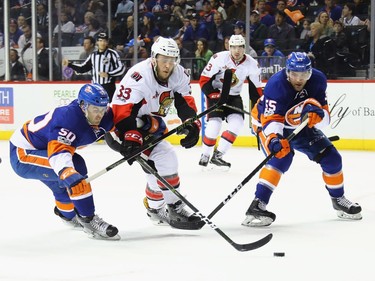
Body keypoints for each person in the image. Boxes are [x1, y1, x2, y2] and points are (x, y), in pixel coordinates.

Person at [242, 52, 362, 227]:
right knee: (283, 157)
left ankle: (338, 200)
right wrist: (274, 140)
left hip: (298, 123)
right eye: (294, 74)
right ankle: (257, 205)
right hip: (266, 122)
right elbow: (271, 121)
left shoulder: (318, 80)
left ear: (310, 73)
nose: (299, 79)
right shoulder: (276, 85)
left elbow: (326, 118)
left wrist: (317, 115)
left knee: (332, 158)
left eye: (304, 74)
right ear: (287, 72)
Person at [111, 36, 204, 230]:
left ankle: (156, 209)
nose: (168, 65)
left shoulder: (179, 74)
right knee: (158, 166)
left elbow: (184, 101)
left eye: (172, 60)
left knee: (166, 160)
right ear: (154, 58)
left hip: (149, 123)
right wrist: (130, 137)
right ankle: (173, 207)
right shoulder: (139, 76)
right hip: (123, 126)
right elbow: (122, 112)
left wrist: (191, 124)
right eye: (164, 60)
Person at [9, 83, 120, 240]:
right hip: (23, 153)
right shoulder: (69, 119)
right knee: (76, 170)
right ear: (83, 105)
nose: (99, 115)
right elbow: (59, 151)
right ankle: (88, 219)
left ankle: (67, 216)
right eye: (95, 109)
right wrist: (67, 171)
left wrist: (129, 141)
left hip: (42, 149)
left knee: (62, 191)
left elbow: (120, 127)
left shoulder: (104, 115)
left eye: (102, 109)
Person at [198, 34, 262, 169]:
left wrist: (259, 108)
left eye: (240, 47)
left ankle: (218, 155)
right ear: (229, 47)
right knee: (214, 124)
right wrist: (213, 95)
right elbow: (204, 79)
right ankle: (205, 154)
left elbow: (256, 90)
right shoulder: (218, 58)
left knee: (237, 123)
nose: (237, 50)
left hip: (234, 96)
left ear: (244, 48)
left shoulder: (252, 64)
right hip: (217, 94)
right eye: (233, 47)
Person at [63, 33, 125, 102]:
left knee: (108, 107)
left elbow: (121, 69)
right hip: (95, 87)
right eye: (100, 41)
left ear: (107, 42)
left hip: (108, 87)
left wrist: (108, 74)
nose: (102, 43)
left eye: (104, 41)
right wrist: (69, 64)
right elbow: (83, 68)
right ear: (97, 42)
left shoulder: (112, 53)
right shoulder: (93, 55)